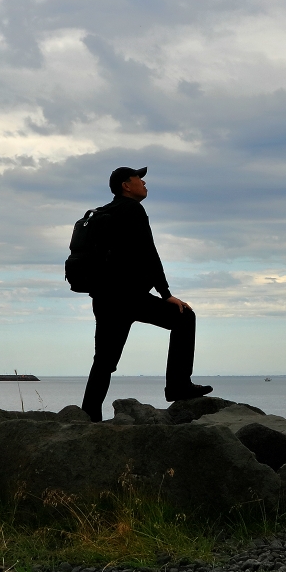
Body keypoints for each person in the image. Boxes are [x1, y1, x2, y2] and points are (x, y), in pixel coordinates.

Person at [80, 166, 212, 421]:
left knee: (104, 361)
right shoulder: (133, 210)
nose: (144, 183)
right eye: (139, 179)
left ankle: (89, 414)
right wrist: (166, 294)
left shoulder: (103, 213)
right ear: (126, 186)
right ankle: (178, 386)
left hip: (104, 298)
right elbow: (149, 253)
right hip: (129, 297)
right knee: (184, 317)